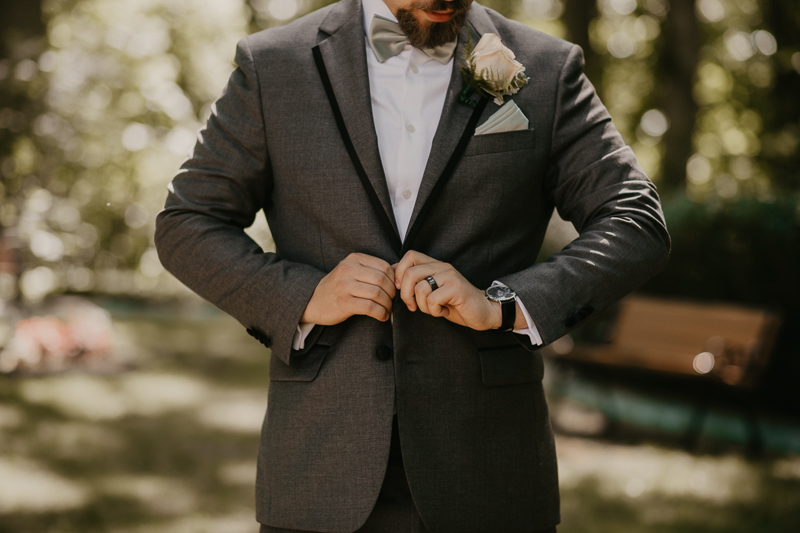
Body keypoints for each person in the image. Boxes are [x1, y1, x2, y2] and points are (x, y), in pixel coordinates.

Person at [154, 0, 670, 531]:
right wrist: (304, 297)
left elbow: (635, 222)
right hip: (319, 472)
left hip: (490, 472)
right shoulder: (275, 66)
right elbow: (188, 222)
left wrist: (503, 304)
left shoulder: (545, 67)